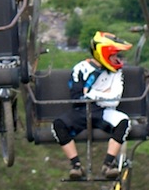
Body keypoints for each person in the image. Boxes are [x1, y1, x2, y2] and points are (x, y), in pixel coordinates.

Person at [52, 31, 133, 180]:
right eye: (114, 55)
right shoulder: (81, 68)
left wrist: (92, 94)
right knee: (59, 125)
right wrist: (103, 94)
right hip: (82, 111)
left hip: (103, 111)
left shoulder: (116, 72)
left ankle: (108, 164)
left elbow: (114, 99)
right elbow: (78, 97)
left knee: (123, 122)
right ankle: (76, 165)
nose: (117, 59)